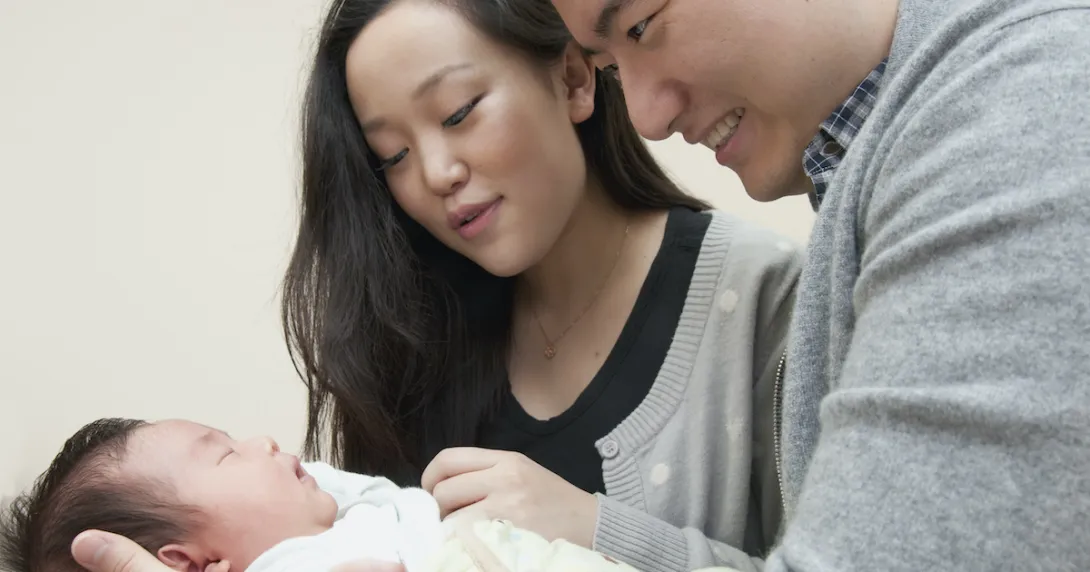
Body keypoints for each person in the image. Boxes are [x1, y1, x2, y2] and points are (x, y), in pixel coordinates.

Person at [65, 0, 802, 570]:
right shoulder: (414, 334)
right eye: (392, 155)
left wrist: (595, 527)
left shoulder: (769, 299)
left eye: (458, 112)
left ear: (574, 79)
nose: (437, 173)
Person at [537, 0, 1089, 570]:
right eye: (610, 68)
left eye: (641, 26)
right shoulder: (882, 154)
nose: (646, 117)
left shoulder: (1017, 116)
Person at [0, 417, 644, 572]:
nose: (265, 443)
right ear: (188, 563)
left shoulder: (330, 516)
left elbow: (350, 490)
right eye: (225, 453)